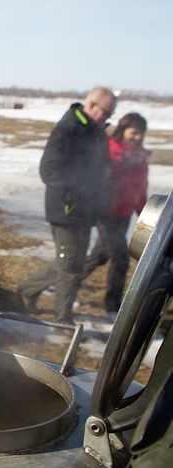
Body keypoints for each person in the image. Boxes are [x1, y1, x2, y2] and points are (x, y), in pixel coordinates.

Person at [16, 86, 117, 323]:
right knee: (71, 267)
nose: (108, 118)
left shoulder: (96, 131)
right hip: (67, 209)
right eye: (107, 112)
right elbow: (48, 169)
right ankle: (63, 319)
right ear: (92, 106)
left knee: (73, 262)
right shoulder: (69, 129)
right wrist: (71, 194)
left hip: (86, 208)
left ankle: (26, 289)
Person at [81, 113, 150, 316]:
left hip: (124, 214)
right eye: (133, 132)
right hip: (106, 212)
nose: (137, 137)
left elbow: (140, 188)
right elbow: (103, 175)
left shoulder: (140, 157)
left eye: (141, 133)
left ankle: (65, 281)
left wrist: (145, 215)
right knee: (121, 258)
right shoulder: (110, 148)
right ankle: (112, 307)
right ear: (123, 130)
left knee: (100, 255)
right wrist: (128, 161)